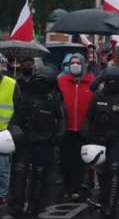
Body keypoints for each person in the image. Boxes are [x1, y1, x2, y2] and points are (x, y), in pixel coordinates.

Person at [82, 66, 119, 219]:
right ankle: (103, 200)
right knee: (102, 171)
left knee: (116, 169)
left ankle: (112, 205)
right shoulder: (98, 96)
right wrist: (86, 133)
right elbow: (89, 117)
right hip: (100, 138)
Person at [8, 65, 66, 216]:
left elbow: (61, 118)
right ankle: (18, 204)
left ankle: (34, 204)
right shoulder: (26, 94)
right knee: (20, 171)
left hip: (45, 141)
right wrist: (15, 130)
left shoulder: (54, 98)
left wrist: (59, 133)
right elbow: (16, 118)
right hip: (25, 140)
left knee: (39, 174)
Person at [57, 54, 96, 200]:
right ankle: (67, 187)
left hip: (83, 129)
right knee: (65, 158)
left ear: (83, 64)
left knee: (79, 161)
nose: (74, 65)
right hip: (65, 128)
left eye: (78, 62)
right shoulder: (60, 81)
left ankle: (75, 188)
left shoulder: (92, 82)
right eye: (72, 63)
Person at [0, 61, 21, 206]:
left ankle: (2, 195)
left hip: (4, 132)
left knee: (3, 166)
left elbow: (19, 107)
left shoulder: (12, 84)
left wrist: (12, 127)